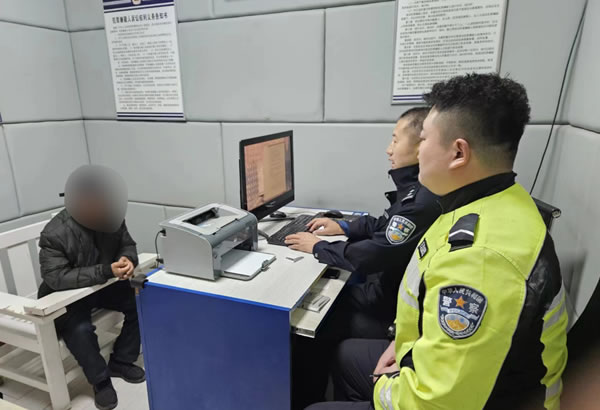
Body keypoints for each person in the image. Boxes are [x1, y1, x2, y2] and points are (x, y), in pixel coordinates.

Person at [306, 73, 568, 410]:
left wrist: (383, 386)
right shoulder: (484, 202)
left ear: (458, 152)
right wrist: (403, 344)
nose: (419, 151)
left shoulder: (480, 259)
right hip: (449, 368)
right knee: (346, 356)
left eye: (425, 139)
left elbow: (434, 402)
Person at [286, 108, 440, 409]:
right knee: (322, 303)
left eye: (395, 140)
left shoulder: (422, 199)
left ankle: (304, 399)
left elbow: (372, 255)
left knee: (313, 322)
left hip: (386, 306)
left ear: (420, 146)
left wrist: (318, 247)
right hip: (389, 295)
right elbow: (387, 225)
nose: (388, 149)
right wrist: (344, 227)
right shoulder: (416, 190)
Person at [38, 165, 145, 410]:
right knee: (80, 329)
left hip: (100, 287)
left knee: (140, 300)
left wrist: (128, 259)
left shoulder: (111, 216)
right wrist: (106, 271)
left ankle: (121, 360)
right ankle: (100, 381)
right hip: (64, 297)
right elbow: (56, 277)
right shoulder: (55, 233)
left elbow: (127, 244)